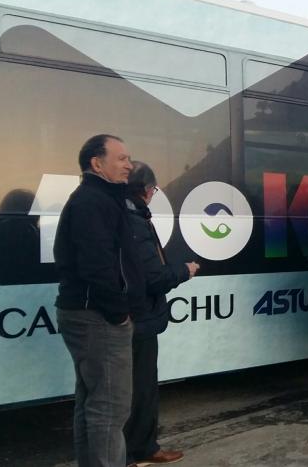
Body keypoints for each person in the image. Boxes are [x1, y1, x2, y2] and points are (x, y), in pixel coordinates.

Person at [54, 134, 141, 467]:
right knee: (110, 407)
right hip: (98, 317)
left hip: (89, 314)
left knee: (92, 402)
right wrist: (119, 313)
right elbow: (98, 266)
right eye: (121, 158)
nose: (128, 165)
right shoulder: (94, 201)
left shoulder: (96, 198)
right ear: (97, 163)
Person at [122, 161, 198, 466]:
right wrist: (184, 271)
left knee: (133, 387)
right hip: (138, 318)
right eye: (153, 189)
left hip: (131, 316)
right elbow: (152, 278)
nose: (154, 194)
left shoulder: (124, 214)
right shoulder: (133, 219)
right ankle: (138, 451)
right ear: (146, 190)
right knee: (140, 388)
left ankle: (136, 449)